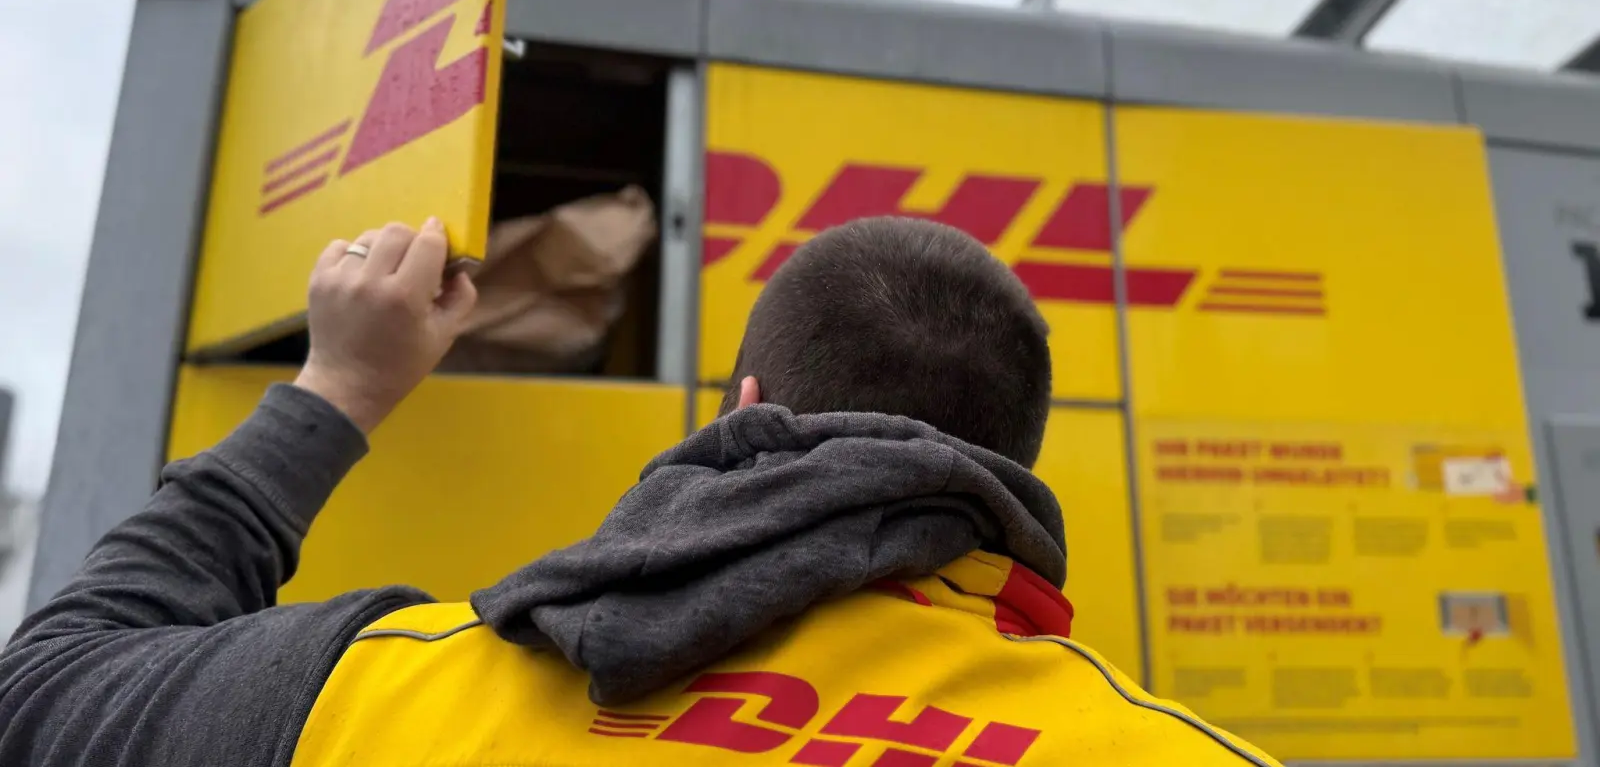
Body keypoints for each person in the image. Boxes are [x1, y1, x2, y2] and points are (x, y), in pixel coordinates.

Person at [0, 215, 1282, 767]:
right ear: (1008, 475)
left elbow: (45, 690)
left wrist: (338, 383)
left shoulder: (385, 691)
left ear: (745, 415)